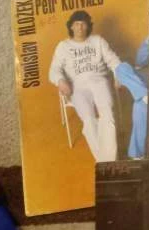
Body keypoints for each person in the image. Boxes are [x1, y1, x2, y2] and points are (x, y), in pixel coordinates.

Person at [48, 10, 143, 162]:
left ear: (88, 26)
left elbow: (113, 60)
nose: (80, 27)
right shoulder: (63, 46)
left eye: (83, 24)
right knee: (88, 118)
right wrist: (60, 80)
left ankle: (108, 161)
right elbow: (54, 70)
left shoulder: (98, 41)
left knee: (108, 115)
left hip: (99, 82)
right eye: (76, 24)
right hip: (77, 86)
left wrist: (119, 75)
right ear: (71, 27)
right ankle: (105, 161)